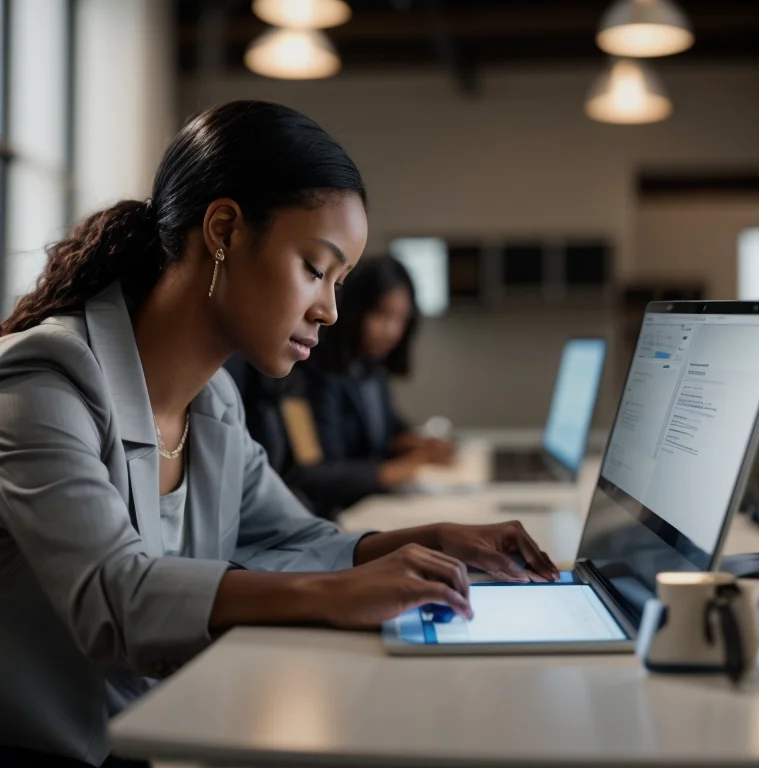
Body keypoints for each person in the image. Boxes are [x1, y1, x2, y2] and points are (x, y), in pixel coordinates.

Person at [0, 100, 558, 767]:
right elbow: (114, 600)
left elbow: (290, 537)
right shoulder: (43, 379)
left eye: (341, 282)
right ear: (225, 230)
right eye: (315, 270)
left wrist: (428, 538)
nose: (328, 310)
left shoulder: (216, 402)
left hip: (147, 739)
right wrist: (331, 596)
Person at [301, 255, 453, 514]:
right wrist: (395, 471)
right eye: (382, 314)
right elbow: (315, 475)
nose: (392, 331)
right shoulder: (315, 372)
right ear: (355, 310)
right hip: (337, 514)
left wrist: (415, 444)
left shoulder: (371, 367)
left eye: (401, 320)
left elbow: (387, 431)